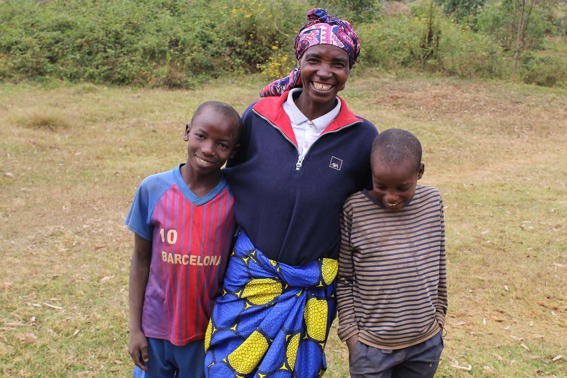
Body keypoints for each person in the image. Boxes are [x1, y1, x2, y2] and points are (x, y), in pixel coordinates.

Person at [203, 8, 378, 377]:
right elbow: (219, 181)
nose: (325, 73)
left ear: (350, 70)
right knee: (223, 368)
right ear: (299, 61)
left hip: (308, 290)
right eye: (314, 60)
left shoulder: (362, 138)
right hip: (247, 280)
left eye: (339, 63)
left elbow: (370, 212)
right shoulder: (259, 117)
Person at [125, 101, 242, 378]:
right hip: (154, 330)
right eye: (201, 136)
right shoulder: (153, 189)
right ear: (187, 132)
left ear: (233, 152)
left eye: (222, 145)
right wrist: (135, 329)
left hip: (206, 333)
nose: (208, 149)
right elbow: (141, 259)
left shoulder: (236, 198)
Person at [336, 128, 448, 378]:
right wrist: (352, 336)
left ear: (419, 172)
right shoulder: (354, 209)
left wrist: (440, 316)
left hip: (425, 345)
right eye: (381, 185)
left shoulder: (432, 202)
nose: (391, 196)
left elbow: (439, 262)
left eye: (402, 187)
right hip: (371, 349)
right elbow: (344, 278)